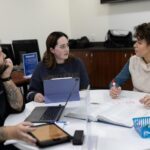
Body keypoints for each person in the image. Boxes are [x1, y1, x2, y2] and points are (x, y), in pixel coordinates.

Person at [27, 31, 89, 103]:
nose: (67, 49)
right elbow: (30, 94)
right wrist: (35, 96)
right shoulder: (41, 67)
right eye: (62, 46)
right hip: (50, 106)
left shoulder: (77, 63)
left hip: (74, 104)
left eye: (67, 45)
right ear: (52, 50)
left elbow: (85, 88)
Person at [0, 46, 36, 149]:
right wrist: (10, 132)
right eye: (0, 53)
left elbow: (18, 107)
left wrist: (6, 78)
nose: (5, 56)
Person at [109, 22, 150, 107]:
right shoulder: (133, 61)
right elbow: (115, 81)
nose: (134, 45)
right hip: (137, 105)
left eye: (139, 42)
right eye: (136, 41)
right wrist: (114, 88)